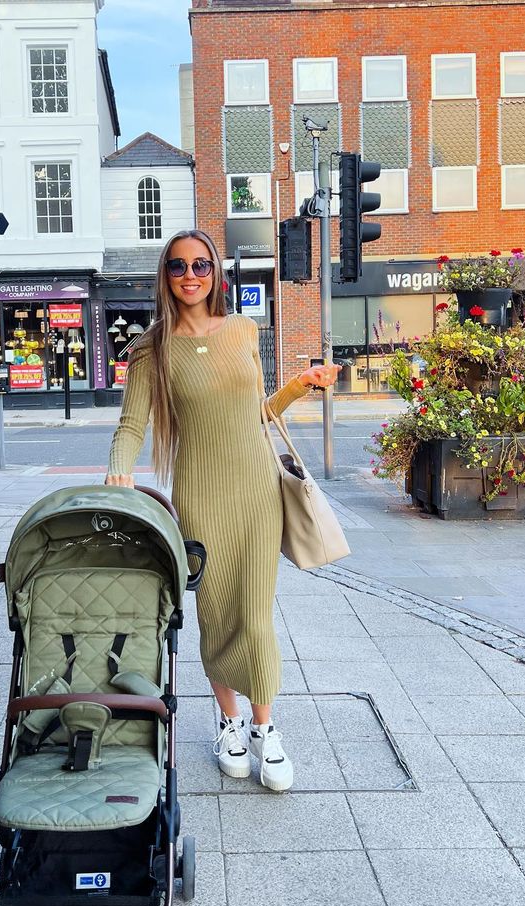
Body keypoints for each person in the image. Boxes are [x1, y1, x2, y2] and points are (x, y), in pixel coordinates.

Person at [105, 229, 339, 792]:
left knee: (255, 612)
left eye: (202, 266)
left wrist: (301, 387)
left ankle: (265, 729)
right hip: (201, 494)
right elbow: (132, 424)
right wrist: (119, 471)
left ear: (216, 274)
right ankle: (228, 721)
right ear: (166, 275)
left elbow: (256, 413)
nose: (191, 276)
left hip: (258, 489)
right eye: (179, 266)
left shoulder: (242, 330)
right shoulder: (150, 349)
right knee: (215, 611)